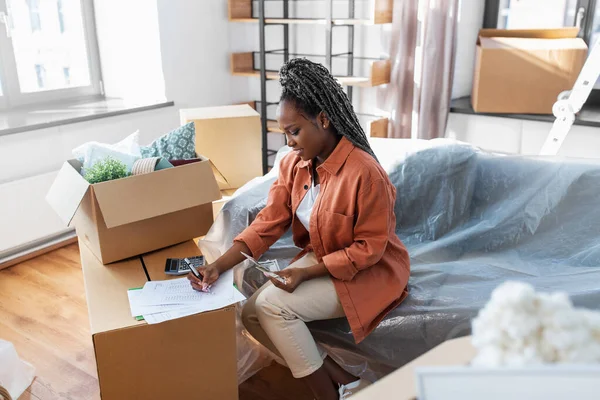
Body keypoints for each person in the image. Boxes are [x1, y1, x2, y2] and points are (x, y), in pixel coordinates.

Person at [188, 58, 410, 400]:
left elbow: (369, 250)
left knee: (272, 307)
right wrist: (218, 266)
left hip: (370, 272)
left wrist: (305, 275)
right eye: (284, 133)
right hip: (328, 260)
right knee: (251, 315)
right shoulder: (295, 165)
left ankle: (328, 395)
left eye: (295, 131)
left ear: (323, 119)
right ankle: (348, 381)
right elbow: (268, 222)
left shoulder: (365, 173)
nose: (289, 143)